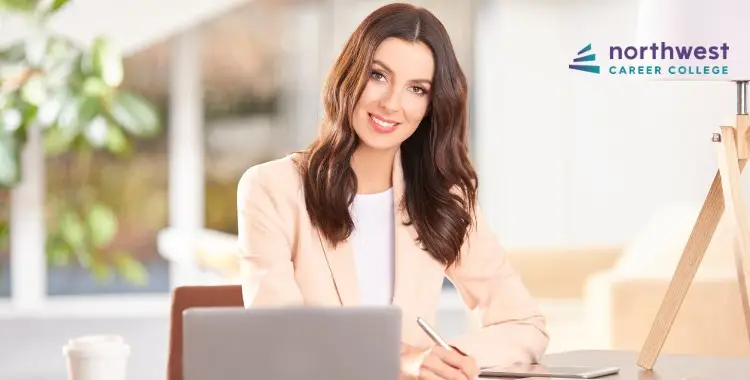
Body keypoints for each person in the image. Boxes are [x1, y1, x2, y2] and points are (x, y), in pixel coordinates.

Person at [236, 2, 549, 379]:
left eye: (417, 89)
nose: (391, 103)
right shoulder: (271, 188)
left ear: (432, 105)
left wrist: (442, 358)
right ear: (349, 75)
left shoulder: (442, 198)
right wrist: (394, 356)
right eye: (379, 75)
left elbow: (525, 324)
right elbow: (279, 336)